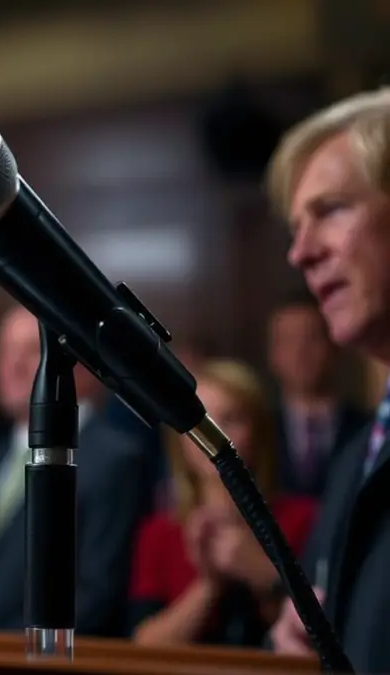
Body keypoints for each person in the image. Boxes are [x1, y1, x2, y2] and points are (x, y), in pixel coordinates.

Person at [266, 87, 390, 672]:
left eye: (331, 210)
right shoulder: (356, 457)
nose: (300, 252)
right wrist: (303, 632)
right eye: (296, 225)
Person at [0, 306, 147, 636]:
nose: (13, 366)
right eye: (6, 351)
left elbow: (98, 593)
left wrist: (0, 644)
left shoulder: (115, 460)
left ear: (82, 366)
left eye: (32, 350)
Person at [131, 359, 316, 646]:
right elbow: (144, 646)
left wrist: (264, 574)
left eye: (230, 419)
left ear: (259, 432)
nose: (212, 435)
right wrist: (208, 585)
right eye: (198, 421)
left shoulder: (303, 520)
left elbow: (325, 636)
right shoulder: (159, 533)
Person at [267, 297, 368, 497]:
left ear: (334, 344)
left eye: (312, 337)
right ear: (273, 354)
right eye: (288, 340)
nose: (300, 351)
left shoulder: (369, 429)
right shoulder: (260, 432)